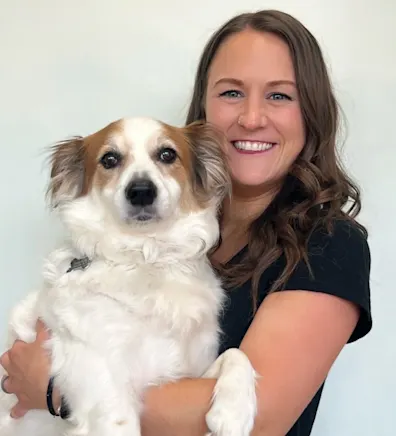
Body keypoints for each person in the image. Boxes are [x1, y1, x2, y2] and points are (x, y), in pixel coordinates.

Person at [0, 8, 372, 436]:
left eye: (279, 95)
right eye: (231, 93)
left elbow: (260, 421)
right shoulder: (187, 241)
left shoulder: (328, 244)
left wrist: (58, 389)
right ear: (204, 109)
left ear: (311, 112)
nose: (251, 117)